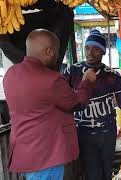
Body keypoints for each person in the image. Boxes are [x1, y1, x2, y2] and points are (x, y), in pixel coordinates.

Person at [3, 29, 97, 180]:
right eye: (57, 52)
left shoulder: (11, 74)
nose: (58, 56)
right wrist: (86, 82)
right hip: (46, 154)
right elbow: (77, 103)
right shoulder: (50, 80)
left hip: (26, 151)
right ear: (48, 51)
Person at [63, 30, 121, 180]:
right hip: (83, 132)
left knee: (106, 170)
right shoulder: (72, 71)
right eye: (87, 47)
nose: (90, 52)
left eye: (95, 49)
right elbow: (63, 99)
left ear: (102, 51)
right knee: (92, 172)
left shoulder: (112, 75)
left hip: (107, 132)